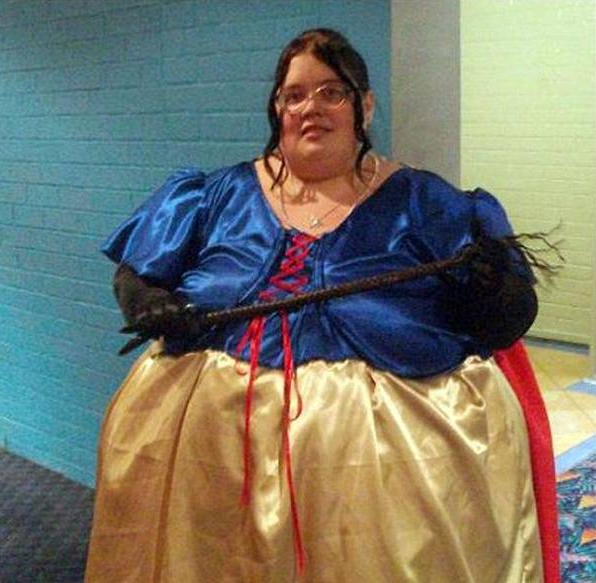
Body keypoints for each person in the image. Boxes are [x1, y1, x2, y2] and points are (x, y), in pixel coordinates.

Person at [85, 28, 559, 583]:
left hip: (391, 463)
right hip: (210, 454)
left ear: (365, 106)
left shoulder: (427, 201)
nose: (311, 107)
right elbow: (136, 272)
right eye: (294, 95)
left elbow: (507, 319)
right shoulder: (215, 195)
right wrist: (148, 302)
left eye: (331, 92)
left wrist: (492, 291)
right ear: (277, 110)